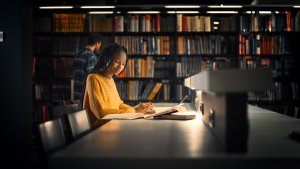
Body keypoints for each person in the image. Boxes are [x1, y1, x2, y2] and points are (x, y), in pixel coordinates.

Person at [83, 42, 154, 128]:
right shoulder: (93, 78)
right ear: (106, 59)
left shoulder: (111, 80)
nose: (120, 66)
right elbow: (101, 113)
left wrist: (137, 109)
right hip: (99, 130)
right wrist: (134, 111)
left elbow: (119, 104)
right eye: (117, 61)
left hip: (113, 126)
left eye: (123, 63)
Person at [73, 33, 103, 103]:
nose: (99, 46)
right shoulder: (91, 56)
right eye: (100, 44)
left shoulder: (78, 53)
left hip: (76, 90)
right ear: (97, 43)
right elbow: (91, 77)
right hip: (84, 93)